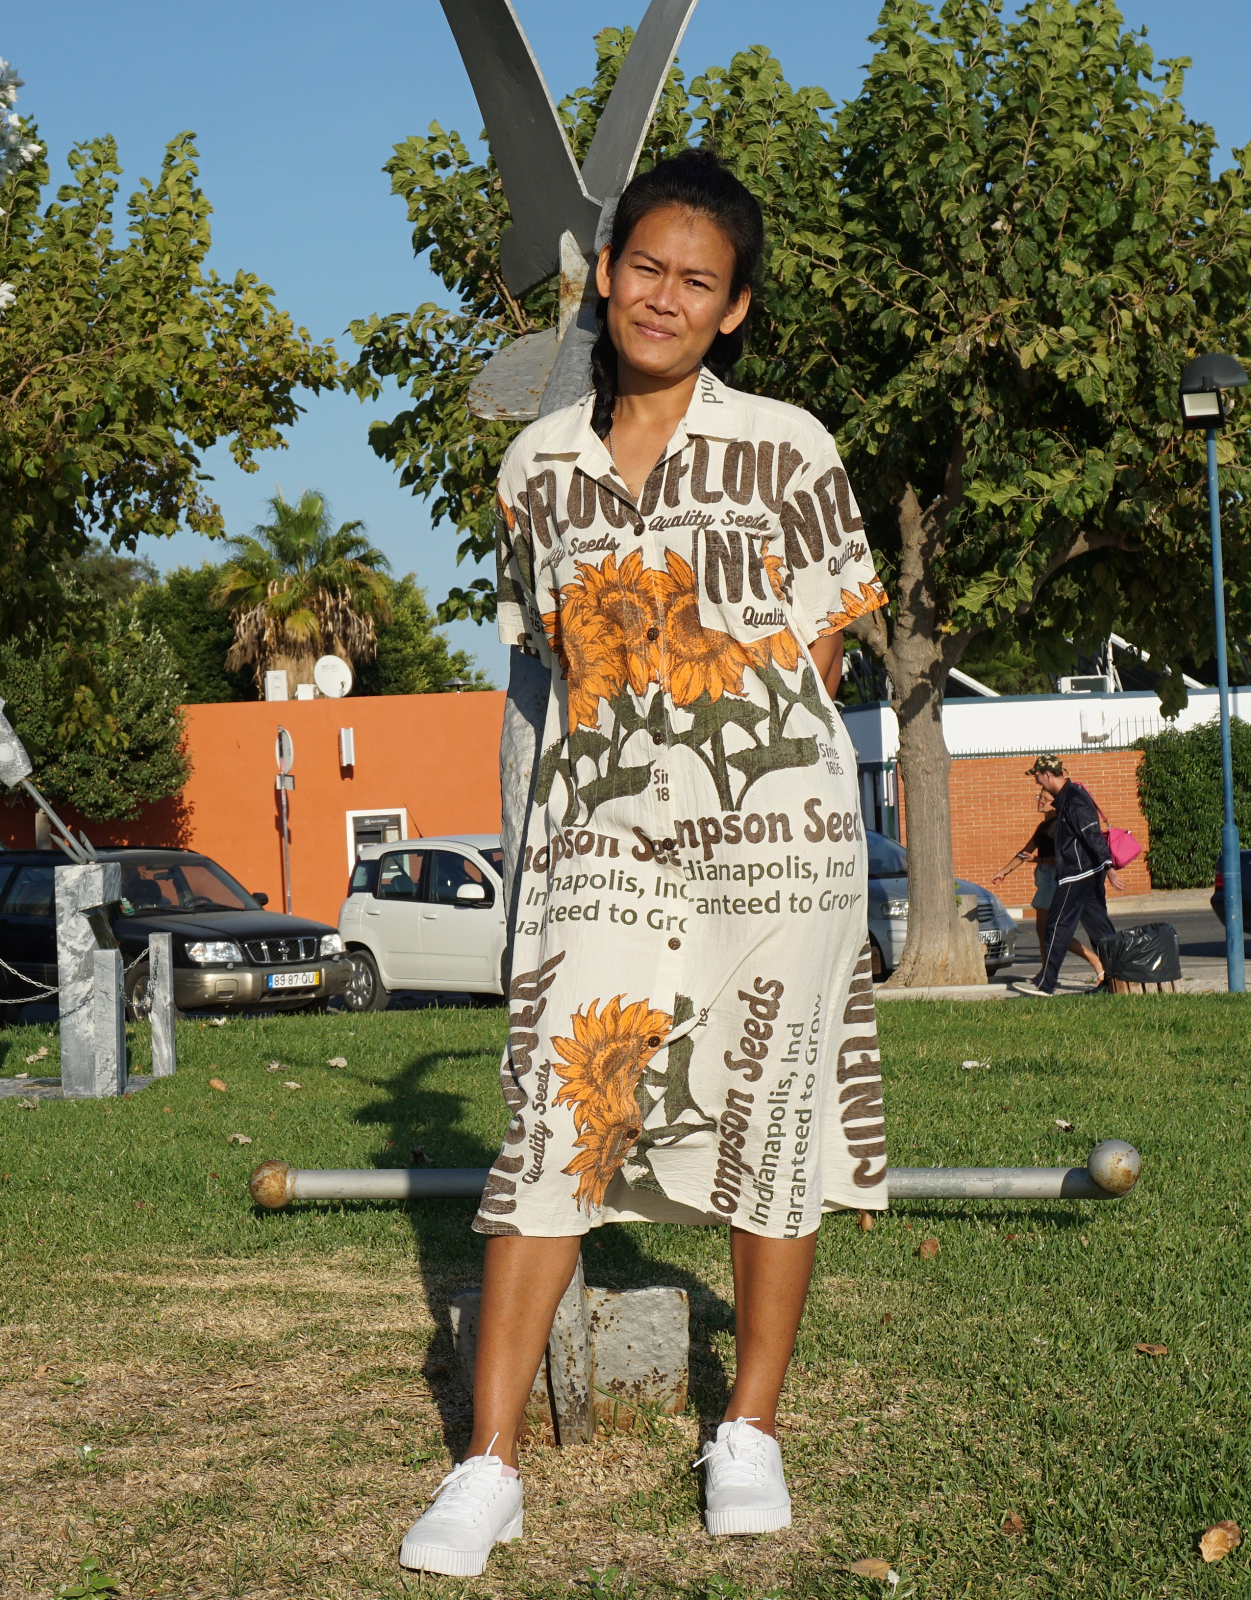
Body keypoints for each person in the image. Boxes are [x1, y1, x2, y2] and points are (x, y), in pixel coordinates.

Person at [398, 150, 891, 1578]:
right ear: (603, 275)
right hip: (602, 843)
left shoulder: (790, 445)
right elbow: (547, 666)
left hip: (776, 844)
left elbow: (819, 644)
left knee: (769, 1110)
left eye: (698, 281)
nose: (664, 298)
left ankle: (747, 1425)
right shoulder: (529, 468)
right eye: (644, 269)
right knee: (560, 1116)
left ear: (732, 308)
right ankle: (485, 1464)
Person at [1011, 756, 1124, 997]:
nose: (1036, 781)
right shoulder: (1068, 797)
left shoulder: (1073, 800)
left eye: (1037, 776)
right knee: (1101, 932)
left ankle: (1045, 983)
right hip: (1086, 874)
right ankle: (1116, 982)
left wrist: (1109, 868)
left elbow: (1091, 835)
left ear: (1049, 775)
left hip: (1077, 875)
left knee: (1056, 927)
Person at [992, 791, 1104, 987]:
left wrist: (1038, 860)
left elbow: (1063, 858)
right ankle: (1046, 971)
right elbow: (1026, 851)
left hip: (1055, 879)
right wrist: (1004, 871)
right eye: (1039, 797)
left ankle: (1095, 962)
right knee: (1042, 929)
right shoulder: (1043, 826)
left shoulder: (1060, 825)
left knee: (1052, 931)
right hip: (1043, 880)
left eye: (1045, 798)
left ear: (1055, 803)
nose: (1040, 801)